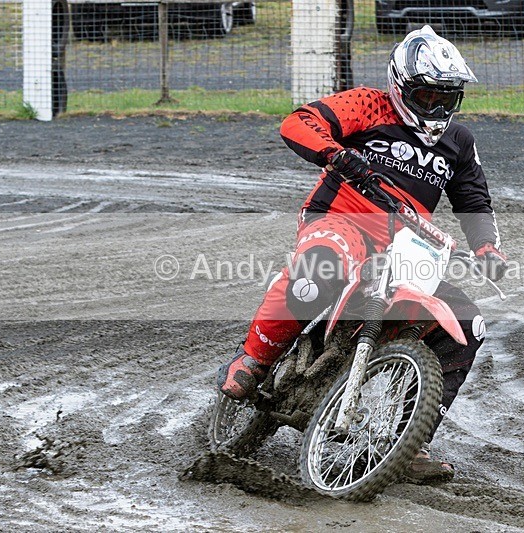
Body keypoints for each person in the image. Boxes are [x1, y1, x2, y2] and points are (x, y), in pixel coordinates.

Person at [217, 25, 507, 482]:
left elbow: (472, 197)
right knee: (324, 263)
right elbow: (298, 123)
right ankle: (253, 357)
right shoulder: (370, 104)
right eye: (426, 97)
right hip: (340, 219)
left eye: (446, 99)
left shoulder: (459, 142)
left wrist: (487, 248)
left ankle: (409, 442)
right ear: (401, 86)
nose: (435, 108)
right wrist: (335, 155)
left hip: (405, 244)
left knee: (467, 326)